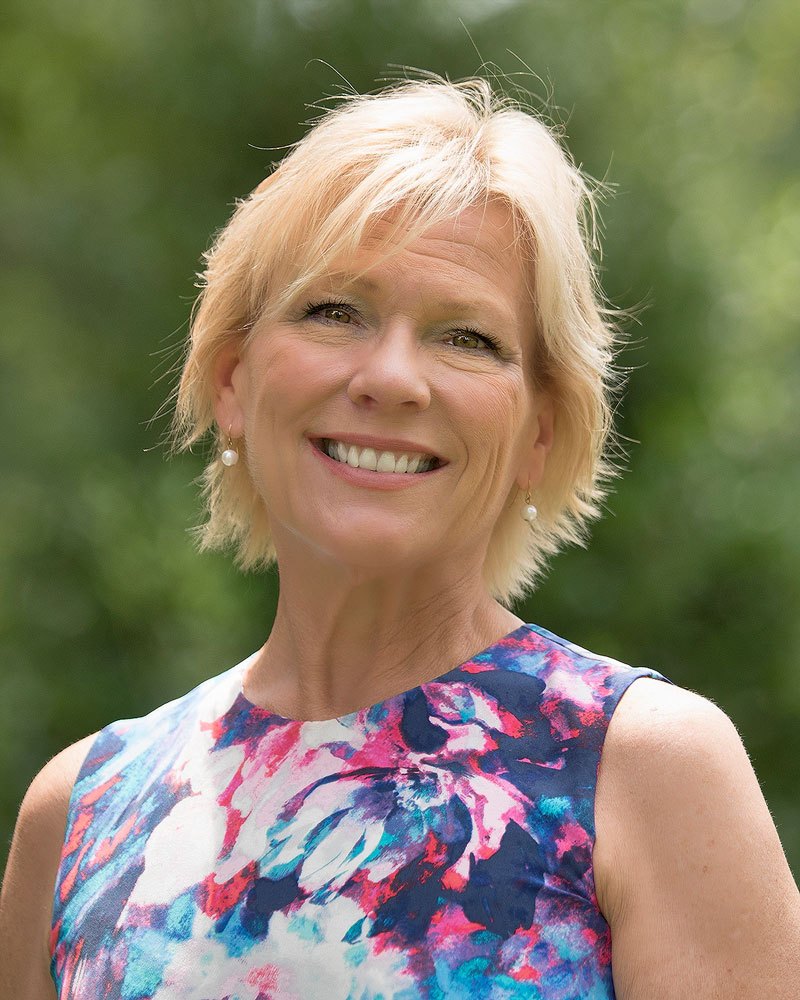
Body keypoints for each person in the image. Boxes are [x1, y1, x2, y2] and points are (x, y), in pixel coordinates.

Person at [2, 76, 799, 1000]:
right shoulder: (79, 815)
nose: (390, 377)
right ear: (231, 380)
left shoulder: (642, 772)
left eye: (467, 338)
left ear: (539, 434)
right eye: (333, 312)